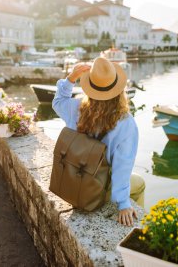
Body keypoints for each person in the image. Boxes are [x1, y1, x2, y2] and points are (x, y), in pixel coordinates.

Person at [52, 57, 145, 226]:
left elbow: (58, 102)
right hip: (95, 190)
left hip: (72, 181)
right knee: (139, 182)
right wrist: (123, 204)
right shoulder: (126, 123)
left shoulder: (76, 107)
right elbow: (121, 168)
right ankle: (136, 229)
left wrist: (71, 78)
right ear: (118, 89)